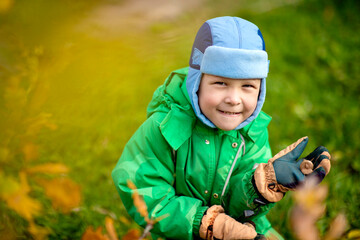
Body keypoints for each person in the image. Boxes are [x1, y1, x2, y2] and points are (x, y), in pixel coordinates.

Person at [112, 16, 331, 240]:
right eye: (221, 83)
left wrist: (261, 185)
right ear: (197, 81)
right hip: (179, 233)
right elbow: (143, 190)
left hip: (240, 229)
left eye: (247, 86)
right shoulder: (165, 127)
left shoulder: (252, 133)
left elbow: (240, 210)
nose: (234, 99)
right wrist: (206, 223)